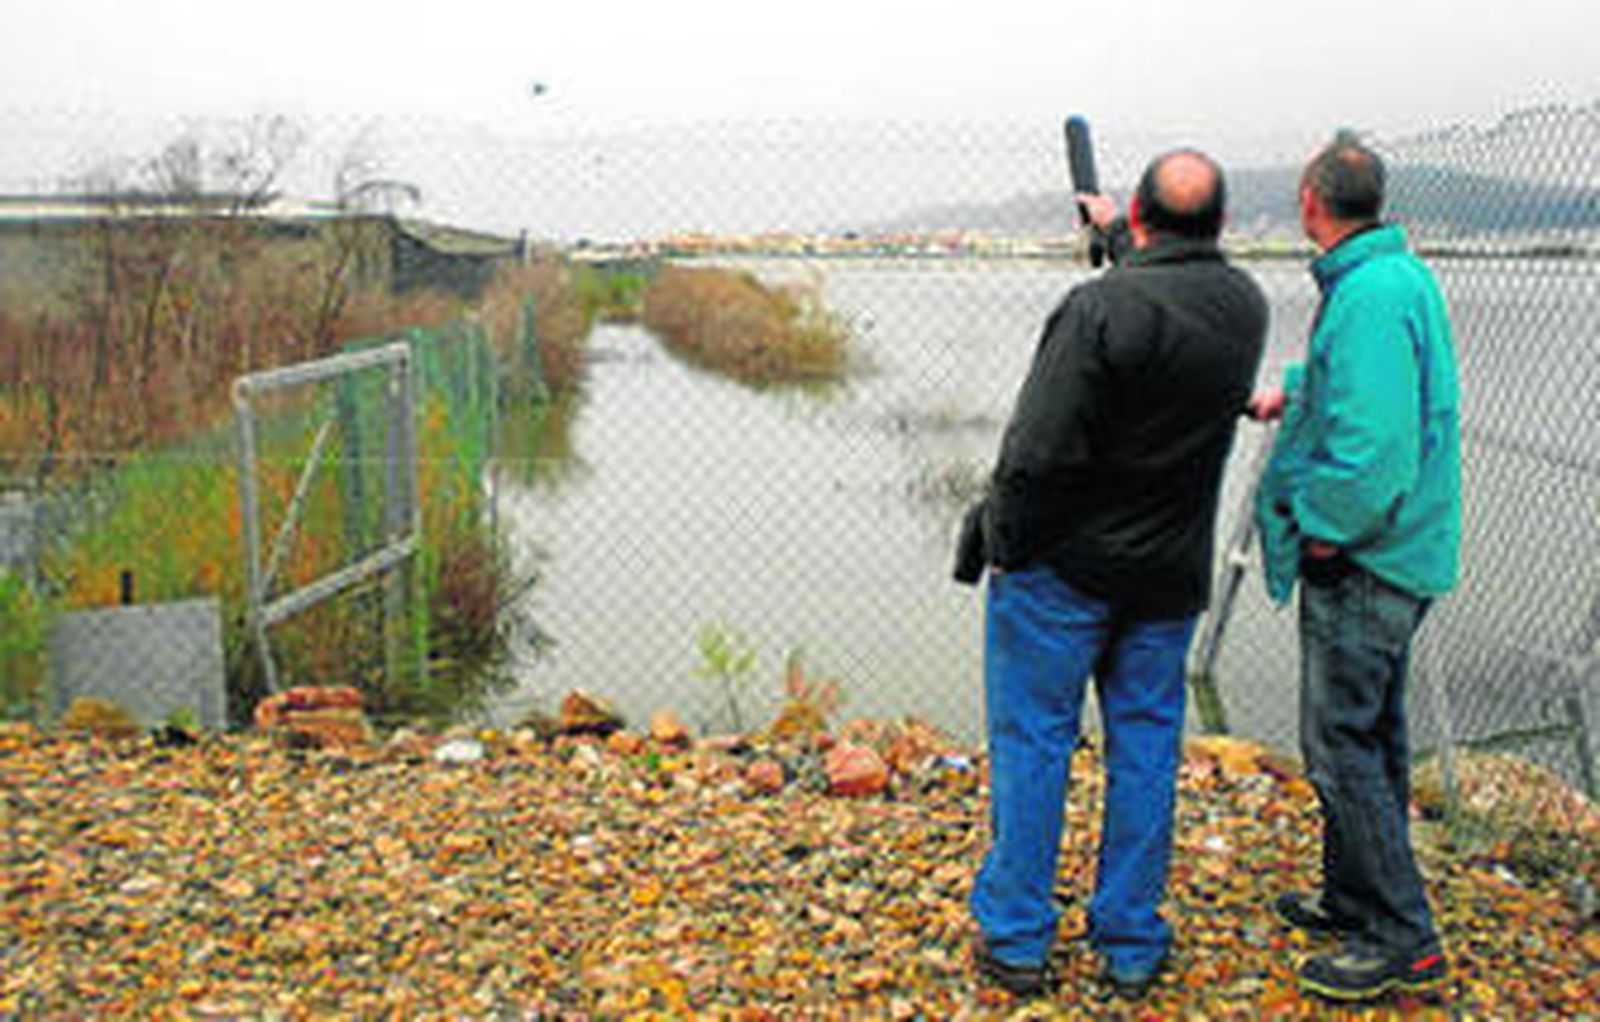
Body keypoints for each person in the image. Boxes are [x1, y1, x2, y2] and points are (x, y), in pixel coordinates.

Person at [964, 149, 1268, 999]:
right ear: (1222, 224)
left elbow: (1036, 453)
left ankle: (1018, 939)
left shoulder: (1096, 309)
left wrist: (1004, 543)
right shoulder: (1242, 305)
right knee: (1144, 751)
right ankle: (1130, 940)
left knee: (1035, 742)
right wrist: (1125, 242)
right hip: (1169, 577)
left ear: (1139, 216)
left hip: (1064, 574)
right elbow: (1172, 300)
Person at [1248, 133, 1461, 1002]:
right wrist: (1297, 389)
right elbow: (1366, 385)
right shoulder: (1396, 275)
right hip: (1404, 551)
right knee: (1374, 734)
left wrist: (1325, 531)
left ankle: (1405, 939)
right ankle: (1351, 898)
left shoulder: (1367, 294)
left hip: (1370, 559)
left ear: (1310, 201)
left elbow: (1373, 448)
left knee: (1340, 744)